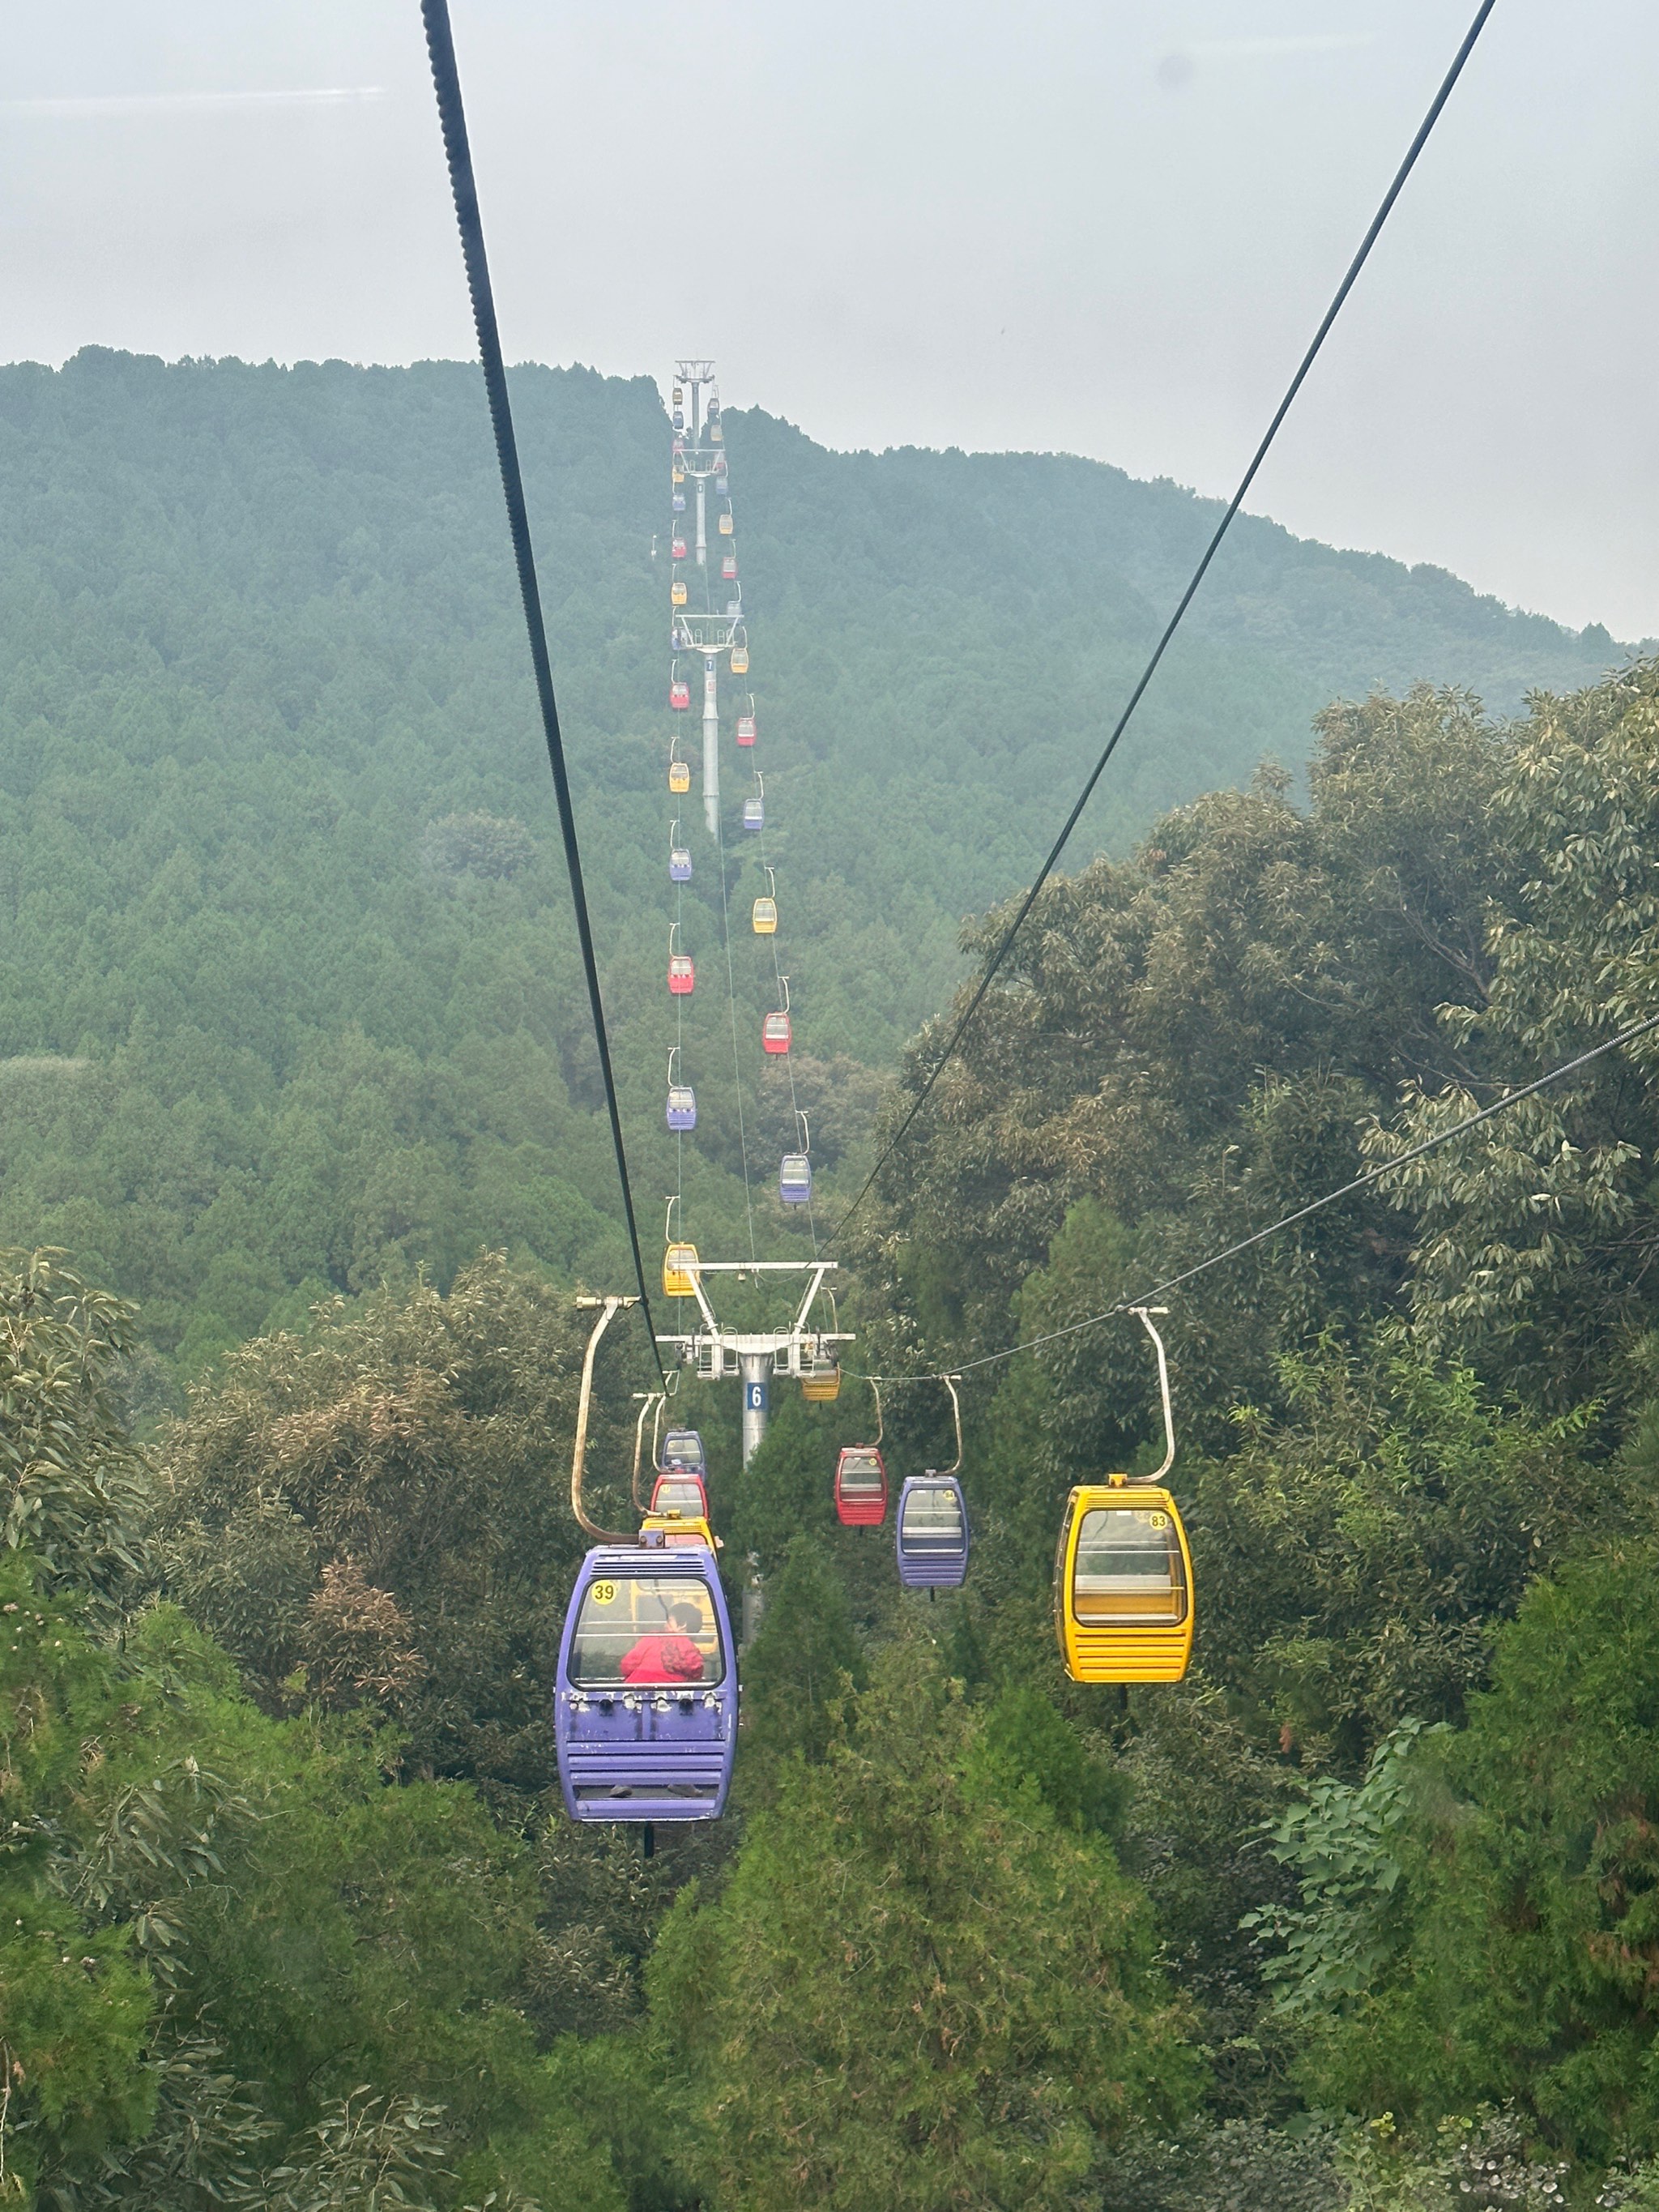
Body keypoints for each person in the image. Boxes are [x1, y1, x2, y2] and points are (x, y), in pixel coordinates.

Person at [619, 1602, 707, 1685]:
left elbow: (627, 1666)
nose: (665, 1624)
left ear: (682, 1625)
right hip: (674, 1698)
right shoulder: (694, 1654)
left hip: (636, 1695)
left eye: (669, 1620)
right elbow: (695, 1678)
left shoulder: (653, 1639)